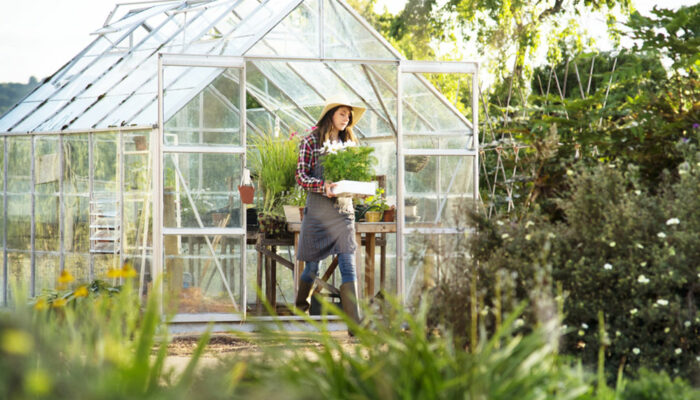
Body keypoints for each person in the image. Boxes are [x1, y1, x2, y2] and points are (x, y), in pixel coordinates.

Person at [294, 98, 366, 333]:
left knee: (348, 263)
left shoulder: (351, 143)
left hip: (343, 213)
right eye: (343, 114)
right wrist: (321, 186)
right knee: (312, 268)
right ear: (331, 115)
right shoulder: (311, 141)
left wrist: (360, 190)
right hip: (317, 214)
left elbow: (357, 176)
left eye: (349, 116)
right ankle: (301, 306)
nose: (347, 119)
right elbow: (301, 176)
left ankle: (355, 325)